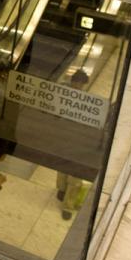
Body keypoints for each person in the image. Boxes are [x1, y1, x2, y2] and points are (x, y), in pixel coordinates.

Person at [56, 69, 89, 220]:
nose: (78, 87)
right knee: (62, 167)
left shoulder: (85, 100)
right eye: (76, 83)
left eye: (81, 85)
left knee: (75, 177)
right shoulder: (63, 93)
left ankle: (68, 205)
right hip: (64, 137)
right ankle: (62, 188)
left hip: (79, 140)